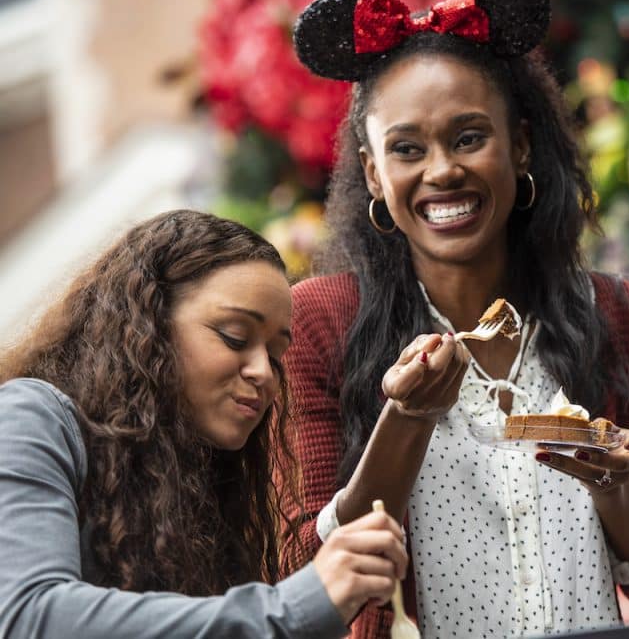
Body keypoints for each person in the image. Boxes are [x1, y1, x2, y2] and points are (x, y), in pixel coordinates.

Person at [282, 0, 629, 638]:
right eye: (406, 149)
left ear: (520, 145)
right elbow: (309, 580)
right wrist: (406, 417)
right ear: (372, 171)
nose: (442, 170)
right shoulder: (321, 321)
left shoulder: (622, 318)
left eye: (469, 137)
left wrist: (610, 485)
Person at [0, 210, 408, 637]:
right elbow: (29, 615)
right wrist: (296, 606)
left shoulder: (197, 485)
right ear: (148, 324)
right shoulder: (32, 417)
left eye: (274, 355)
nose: (264, 373)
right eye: (234, 336)